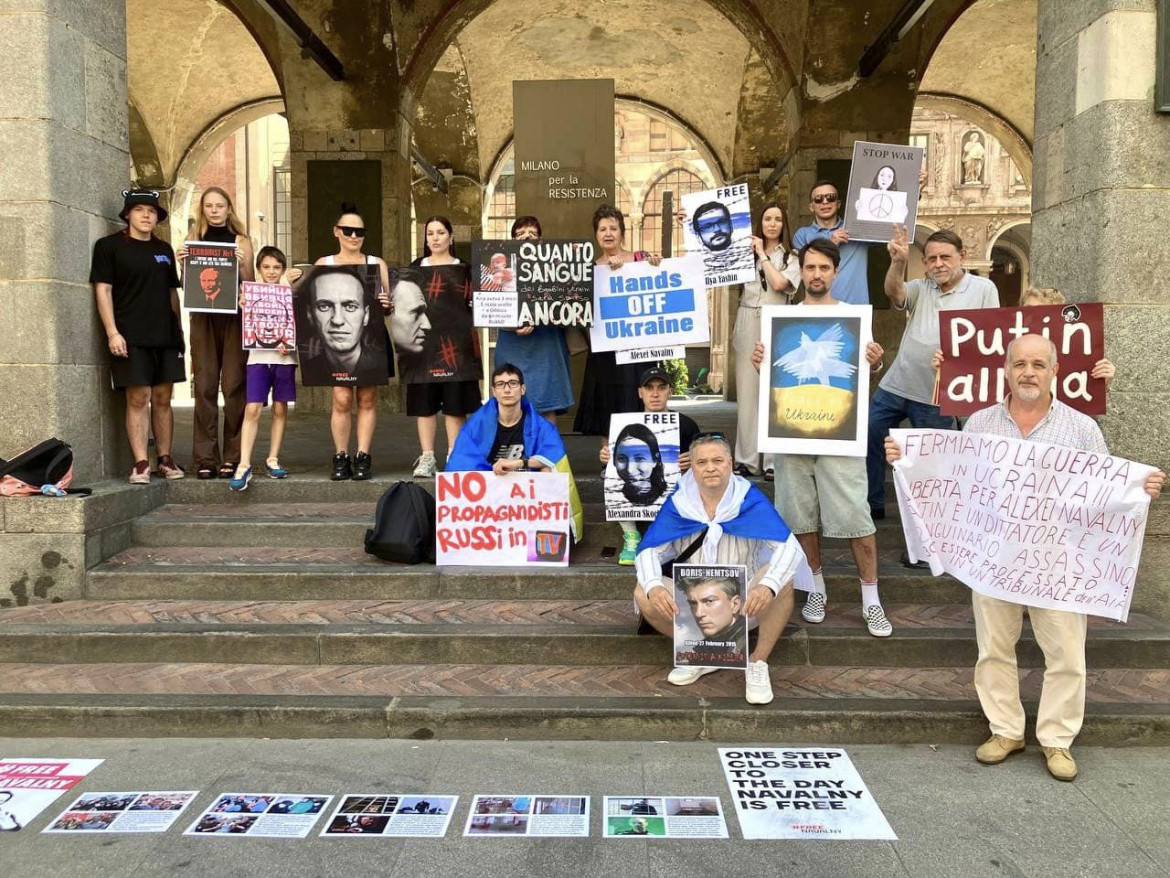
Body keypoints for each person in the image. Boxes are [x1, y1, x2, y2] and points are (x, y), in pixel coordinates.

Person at [885, 334, 1165, 781]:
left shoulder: (1079, 428)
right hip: (993, 559)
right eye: (1020, 364)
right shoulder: (980, 425)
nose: (1028, 373)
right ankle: (1006, 730)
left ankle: (1057, 741)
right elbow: (953, 477)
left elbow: (1103, 491)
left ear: (1055, 370)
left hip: (1057, 563)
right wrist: (907, 458)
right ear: (1007, 370)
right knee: (994, 649)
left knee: (1067, 654)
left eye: (1038, 364)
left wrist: (1139, 489)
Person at [750, 238, 893, 636]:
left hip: (839, 436)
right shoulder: (785, 319)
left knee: (856, 517)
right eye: (810, 268)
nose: (816, 275)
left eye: (823, 269)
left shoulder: (852, 318)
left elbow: (863, 376)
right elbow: (778, 382)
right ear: (803, 271)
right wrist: (762, 366)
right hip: (792, 435)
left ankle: (872, 599)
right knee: (800, 518)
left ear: (835, 272)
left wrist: (874, 363)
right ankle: (816, 588)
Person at [634, 433, 808, 704]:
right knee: (642, 591)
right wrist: (654, 585)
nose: (710, 467)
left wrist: (767, 585)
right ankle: (701, 653)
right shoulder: (679, 504)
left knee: (782, 579)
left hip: (746, 605)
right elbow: (648, 550)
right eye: (701, 462)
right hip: (696, 608)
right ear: (692, 467)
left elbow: (790, 548)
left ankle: (758, 662)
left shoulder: (749, 500)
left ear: (730, 463)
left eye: (718, 460)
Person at [867, 227, 999, 527]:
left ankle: (932, 521)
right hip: (897, 383)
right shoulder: (921, 287)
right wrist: (898, 261)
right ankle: (873, 503)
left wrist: (959, 359)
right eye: (931, 259)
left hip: (938, 394)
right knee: (870, 436)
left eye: (945, 257)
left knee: (934, 461)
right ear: (925, 263)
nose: (938, 264)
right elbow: (894, 292)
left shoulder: (983, 290)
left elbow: (990, 337)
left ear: (962, 257)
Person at [90, 188, 186, 484]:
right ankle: (141, 463)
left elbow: (172, 294)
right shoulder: (109, 247)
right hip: (130, 335)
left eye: (152, 211)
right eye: (140, 210)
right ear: (128, 214)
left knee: (162, 397)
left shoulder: (164, 249)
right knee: (138, 396)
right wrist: (112, 333)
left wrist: (179, 331)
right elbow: (103, 290)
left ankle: (166, 459)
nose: (146, 215)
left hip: (166, 335)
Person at [444, 362, 584, 539]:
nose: (507, 389)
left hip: (526, 495)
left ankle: (548, 536)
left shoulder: (540, 425)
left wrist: (518, 463)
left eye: (513, 383)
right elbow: (460, 462)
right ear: (494, 392)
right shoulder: (476, 425)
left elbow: (553, 456)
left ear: (523, 389)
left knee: (548, 471)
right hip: (488, 492)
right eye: (501, 384)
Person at [178, 186, 254, 480]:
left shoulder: (241, 240)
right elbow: (188, 285)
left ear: (228, 209)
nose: (214, 210)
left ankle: (233, 456)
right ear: (203, 209)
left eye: (219, 205)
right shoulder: (192, 239)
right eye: (209, 205)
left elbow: (249, 283)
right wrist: (182, 261)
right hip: (203, 317)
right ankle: (205, 457)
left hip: (234, 317)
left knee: (235, 385)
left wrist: (244, 263)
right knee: (205, 385)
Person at [313, 202, 392, 481]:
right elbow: (305, 299)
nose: (354, 236)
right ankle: (340, 455)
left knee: (368, 398)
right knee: (341, 398)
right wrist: (289, 277)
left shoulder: (376, 264)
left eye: (359, 231)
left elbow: (388, 305)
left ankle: (363, 455)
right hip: (334, 342)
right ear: (337, 231)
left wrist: (386, 303)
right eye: (348, 230)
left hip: (370, 340)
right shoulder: (324, 264)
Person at [573, 205, 662, 438]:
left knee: (638, 399)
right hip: (605, 351)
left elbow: (661, 288)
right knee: (607, 403)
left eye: (613, 228)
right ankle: (608, 462)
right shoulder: (589, 269)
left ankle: (645, 450)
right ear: (596, 235)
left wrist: (655, 267)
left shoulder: (641, 259)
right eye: (602, 229)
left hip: (638, 349)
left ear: (622, 232)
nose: (608, 233)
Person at [601, 367, 701, 564]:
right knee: (607, 474)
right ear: (640, 393)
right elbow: (612, 461)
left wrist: (694, 460)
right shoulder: (623, 423)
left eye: (661, 387)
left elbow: (705, 458)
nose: (655, 394)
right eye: (649, 388)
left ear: (670, 391)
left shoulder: (686, 424)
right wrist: (606, 457)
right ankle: (631, 536)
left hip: (675, 491)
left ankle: (667, 535)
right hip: (633, 497)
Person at [406, 215, 481, 478]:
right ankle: (427, 457)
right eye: (430, 234)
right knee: (424, 404)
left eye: (440, 233)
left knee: (455, 404)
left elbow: (477, 303)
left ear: (451, 237)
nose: (435, 238)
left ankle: (454, 453)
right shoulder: (414, 269)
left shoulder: (465, 269)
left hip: (456, 346)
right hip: (423, 347)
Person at [929, 286, 1116, 388]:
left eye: (1044, 315)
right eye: (1029, 313)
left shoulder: (1075, 349)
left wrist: (1101, 380)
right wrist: (946, 368)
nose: (1036, 321)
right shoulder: (997, 344)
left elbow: (1081, 396)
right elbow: (974, 381)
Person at [736, 202, 801, 480]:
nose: (772, 224)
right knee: (747, 391)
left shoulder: (792, 257)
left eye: (777, 219)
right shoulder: (742, 253)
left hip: (778, 319)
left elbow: (779, 284)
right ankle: (747, 459)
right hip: (748, 316)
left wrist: (762, 253)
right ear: (759, 223)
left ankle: (775, 460)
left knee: (776, 391)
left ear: (784, 224)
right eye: (767, 218)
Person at [229, 246, 301, 491]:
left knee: (281, 408)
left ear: (282, 269)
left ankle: (273, 458)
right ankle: (244, 462)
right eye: (267, 267)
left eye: (277, 267)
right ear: (259, 269)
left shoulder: (289, 292)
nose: (272, 272)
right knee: (252, 408)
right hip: (257, 357)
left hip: (284, 359)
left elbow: (296, 323)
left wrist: (289, 344)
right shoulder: (249, 293)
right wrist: (243, 303)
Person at [492, 216, 574, 425]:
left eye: (532, 234)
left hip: (545, 343)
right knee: (509, 403)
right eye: (520, 234)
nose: (526, 238)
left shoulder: (557, 266)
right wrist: (512, 325)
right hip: (512, 343)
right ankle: (514, 455)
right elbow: (491, 308)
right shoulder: (500, 270)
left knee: (546, 405)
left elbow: (570, 301)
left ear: (541, 239)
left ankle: (547, 455)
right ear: (511, 240)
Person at [791, 180, 871, 306]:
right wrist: (832, 242)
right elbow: (803, 268)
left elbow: (885, 229)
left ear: (838, 204)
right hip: (819, 310)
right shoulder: (802, 235)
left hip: (857, 309)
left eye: (830, 197)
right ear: (811, 206)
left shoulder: (856, 229)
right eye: (818, 199)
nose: (825, 202)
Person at [680, 576, 748, 663]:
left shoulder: (742, 643)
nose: (698, 613)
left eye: (710, 601)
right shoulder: (702, 649)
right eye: (693, 603)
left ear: (735, 604)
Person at [611, 423, 667, 507]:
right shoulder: (614, 496)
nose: (630, 469)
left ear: (655, 460)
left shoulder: (669, 495)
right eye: (622, 459)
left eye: (639, 459)